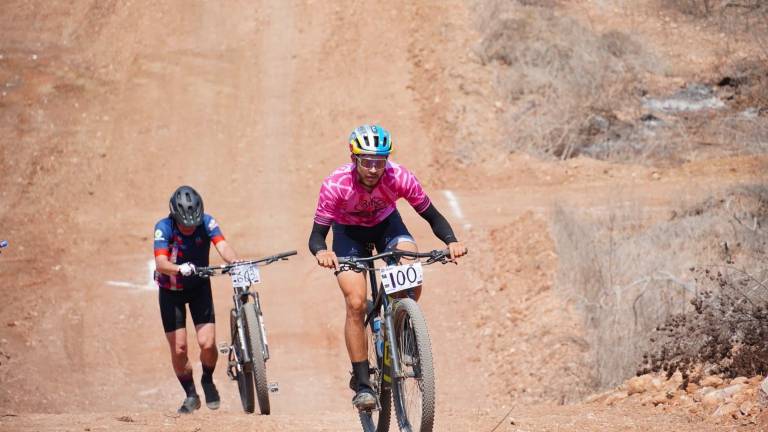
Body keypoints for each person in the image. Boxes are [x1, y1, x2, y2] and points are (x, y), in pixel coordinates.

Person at [307, 124, 468, 410]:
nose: (373, 169)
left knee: (410, 258)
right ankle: (363, 384)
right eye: (367, 161)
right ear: (354, 158)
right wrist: (322, 252)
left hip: (386, 226)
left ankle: (403, 324)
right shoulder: (336, 184)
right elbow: (317, 235)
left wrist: (452, 241)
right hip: (349, 234)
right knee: (355, 303)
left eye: (379, 162)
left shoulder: (399, 176)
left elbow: (431, 215)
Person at [153, 185, 240, 414]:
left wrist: (235, 263)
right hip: (171, 292)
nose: (190, 228)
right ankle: (191, 394)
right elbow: (161, 263)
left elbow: (222, 244)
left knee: (208, 344)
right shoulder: (163, 228)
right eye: (185, 225)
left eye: (194, 224)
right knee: (179, 348)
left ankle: (208, 380)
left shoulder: (207, 222)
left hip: (199, 287)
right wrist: (179, 269)